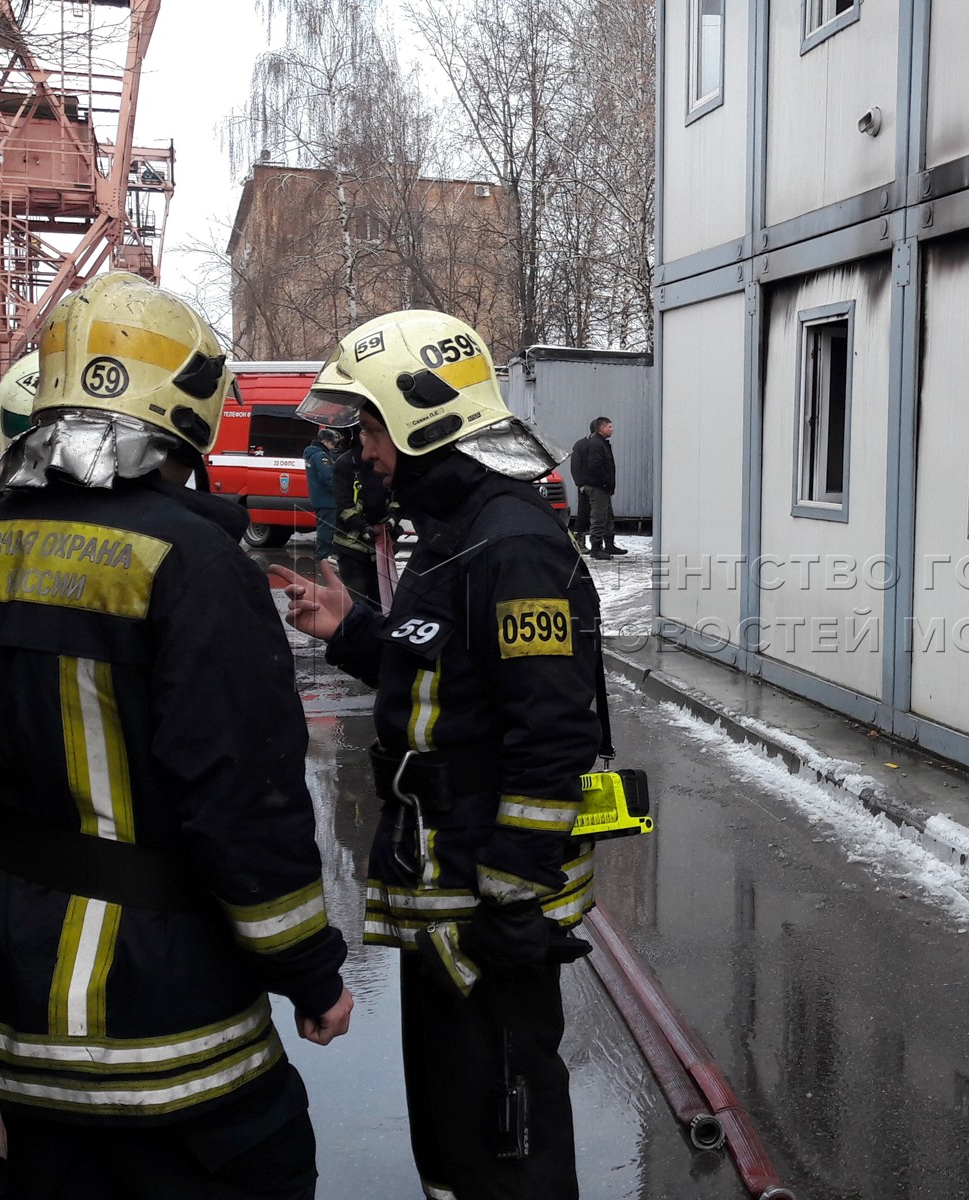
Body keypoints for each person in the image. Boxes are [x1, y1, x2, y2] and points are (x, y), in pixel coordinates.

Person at [0, 272, 354, 1200]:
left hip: (9, 995)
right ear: (190, 410)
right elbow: (243, 800)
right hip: (164, 1015)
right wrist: (310, 973)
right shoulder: (198, 565)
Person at [269, 309, 604, 1200]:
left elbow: (553, 742)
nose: (362, 450)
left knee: (508, 1147)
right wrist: (348, 632)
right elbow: (439, 679)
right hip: (445, 894)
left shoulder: (514, 544)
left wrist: (512, 898)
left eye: (369, 425)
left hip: (487, 909)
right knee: (457, 1137)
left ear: (421, 417)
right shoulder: (454, 535)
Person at [328, 426, 386, 604]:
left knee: (381, 601)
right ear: (356, 436)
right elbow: (343, 505)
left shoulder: (385, 459)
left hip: (381, 547)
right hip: (351, 546)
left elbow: (396, 496)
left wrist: (392, 519)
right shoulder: (346, 463)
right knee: (358, 601)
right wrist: (362, 526)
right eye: (363, 433)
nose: (368, 437)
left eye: (372, 432)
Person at [568, 416, 625, 559]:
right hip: (595, 486)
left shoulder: (601, 443)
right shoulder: (591, 444)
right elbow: (589, 466)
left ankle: (608, 544)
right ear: (600, 428)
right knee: (595, 516)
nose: (612, 430)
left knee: (606, 516)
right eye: (610, 427)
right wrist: (583, 483)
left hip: (600, 487)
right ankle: (594, 547)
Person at [305, 426, 340, 560]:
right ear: (325, 441)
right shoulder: (321, 456)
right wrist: (339, 491)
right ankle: (323, 556)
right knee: (327, 529)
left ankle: (324, 555)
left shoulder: (312, 454)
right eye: (332, 443)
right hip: (327, 500)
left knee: (325, 527)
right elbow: (327, 478)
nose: (333, 447)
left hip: (320, 498)